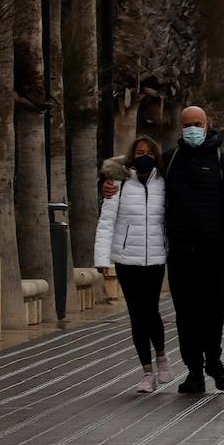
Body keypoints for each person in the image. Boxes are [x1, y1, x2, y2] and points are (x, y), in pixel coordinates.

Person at [106, 106, 224, 393]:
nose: (193, 129)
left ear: (208, 125)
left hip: (213, 250)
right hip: (180, 252)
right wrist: (108, 184)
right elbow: (135, 175)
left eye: (198, 123)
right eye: (188, 124)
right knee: (185, 313)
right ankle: (194, 371)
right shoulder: (170, 161)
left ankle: (215, 362)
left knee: (213, 310)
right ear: (180, 127)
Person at [95, 136, 170, 393]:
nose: (144, 155)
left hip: (156, 258)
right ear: (131, 155)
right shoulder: (118, 182)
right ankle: (147, 372)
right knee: (136, 315)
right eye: (139, 152)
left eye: (149, 152)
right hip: (127, 260)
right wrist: (102, 259)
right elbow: (106, 221)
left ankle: (161, 355)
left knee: (151, 311)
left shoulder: (164, 181)